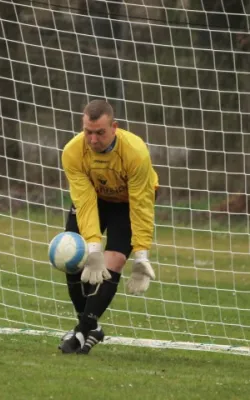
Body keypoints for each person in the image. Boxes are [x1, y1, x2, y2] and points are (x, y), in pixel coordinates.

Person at [60, 99, 158, 354]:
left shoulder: (135, 152)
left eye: (100, 132)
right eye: (88, 132)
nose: (93, 139)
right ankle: (90, 327)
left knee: (113, 261)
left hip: (127, 203)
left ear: (114, 127)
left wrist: (141, 253)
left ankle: (82, 331)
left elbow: (141, 205)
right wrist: (92, 248)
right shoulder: (72, 152)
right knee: (72, 255)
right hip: (95, 199)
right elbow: (85, 202)